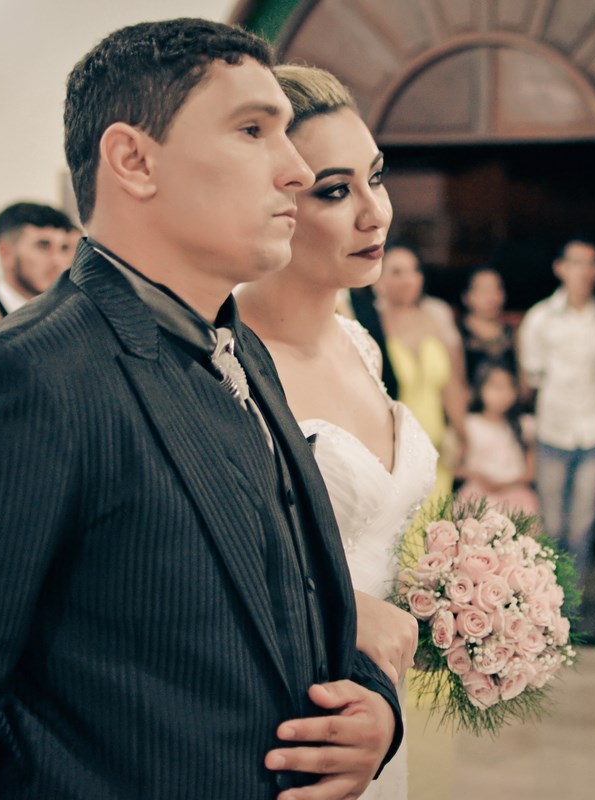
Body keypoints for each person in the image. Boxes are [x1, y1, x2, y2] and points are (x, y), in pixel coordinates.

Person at [0, 19, 401, 800]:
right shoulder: (28, 379)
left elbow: (288, 600)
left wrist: (374, 707)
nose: (296, 170)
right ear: (134, 160)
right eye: (252, 130)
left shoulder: (241, 349)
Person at [238, 64, 431, 800]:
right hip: (289, 714)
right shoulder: (228, 366)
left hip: (381, 706)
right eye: (334, 191)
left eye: (375, 178)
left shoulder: (361, 346)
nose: (375, 214)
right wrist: (340, 616)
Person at [517, 238, 595, 638]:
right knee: (551, 527)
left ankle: (574, 609)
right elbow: (532, 376)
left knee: (582, 527)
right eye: (576, 263)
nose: (584, 272)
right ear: (560, 268)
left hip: (593, 430)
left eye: (591, 264)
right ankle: (548, 611)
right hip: (553, 430)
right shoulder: (540, 319)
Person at [376, 241, 467, 497]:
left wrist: (461, 433)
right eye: (397, 272)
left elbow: (451, 384)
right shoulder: (374, 325)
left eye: (414, 270)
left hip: (437, 447)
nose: (409, 279)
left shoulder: (434, 319)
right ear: (378, 279)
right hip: (393, 448)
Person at [456, 362, 538, 514]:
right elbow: (455, 467)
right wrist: (480, 478)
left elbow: (530, 472)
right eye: (496, 387)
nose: (503, 394)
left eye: (509, 387)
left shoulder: (524, 426)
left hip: (516, 495)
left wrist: (505, 484)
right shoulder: (469, 425)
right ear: (480, 389)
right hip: (478, 494)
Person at [0, 201, 78, 317]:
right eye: (43, 246)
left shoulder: (71, 314)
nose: (58, 260)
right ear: (6, 253)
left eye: (64, 248)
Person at [459, 267, 518, 384]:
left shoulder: (513, 335)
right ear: (466, 297)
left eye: (497, 289)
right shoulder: (457, 335)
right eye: (484, 291)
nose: (492, 298)